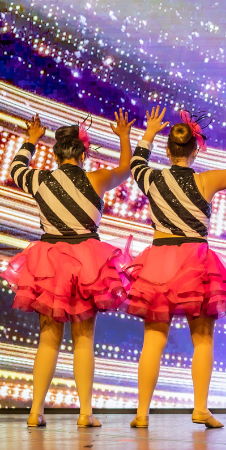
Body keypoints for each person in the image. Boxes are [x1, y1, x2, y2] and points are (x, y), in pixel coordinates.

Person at [2, 112, 135, 428]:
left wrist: (31, 140)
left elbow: (15, 169)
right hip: (87, 260)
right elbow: (127, 169)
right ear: (83, 153)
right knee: (84, 338)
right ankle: (85, 413)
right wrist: (124, 136)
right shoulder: (95, 179)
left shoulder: (40, 179)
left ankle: (36, 411)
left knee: (48, 337)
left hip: (49, 260)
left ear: (56, 152)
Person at [125, 104, 226, 429]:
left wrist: (149, 133)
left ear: (168, 150)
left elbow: (136, 163)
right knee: (203, 338)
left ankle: (141, 413)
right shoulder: (206, 181)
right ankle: (199, 408)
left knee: (153, 337)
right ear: (195, 150)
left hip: (160, 261)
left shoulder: (152, 178)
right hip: (195, 261)